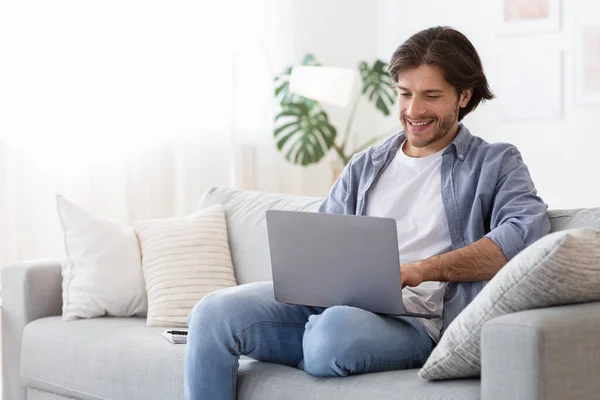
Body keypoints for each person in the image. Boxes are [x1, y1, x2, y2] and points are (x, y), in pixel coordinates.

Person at [184, 26, 551, 400]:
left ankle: (310, 341)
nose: (413, 110)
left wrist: (419, 270)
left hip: (414, 323)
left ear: (464, 95)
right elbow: (323, 240)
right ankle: (309, 339)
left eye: (431, 96)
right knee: (212, 313)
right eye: (405, 94)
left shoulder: (495, 163)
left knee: (331, 336)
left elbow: (523, 239)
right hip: (338, 306)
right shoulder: (366, 164)